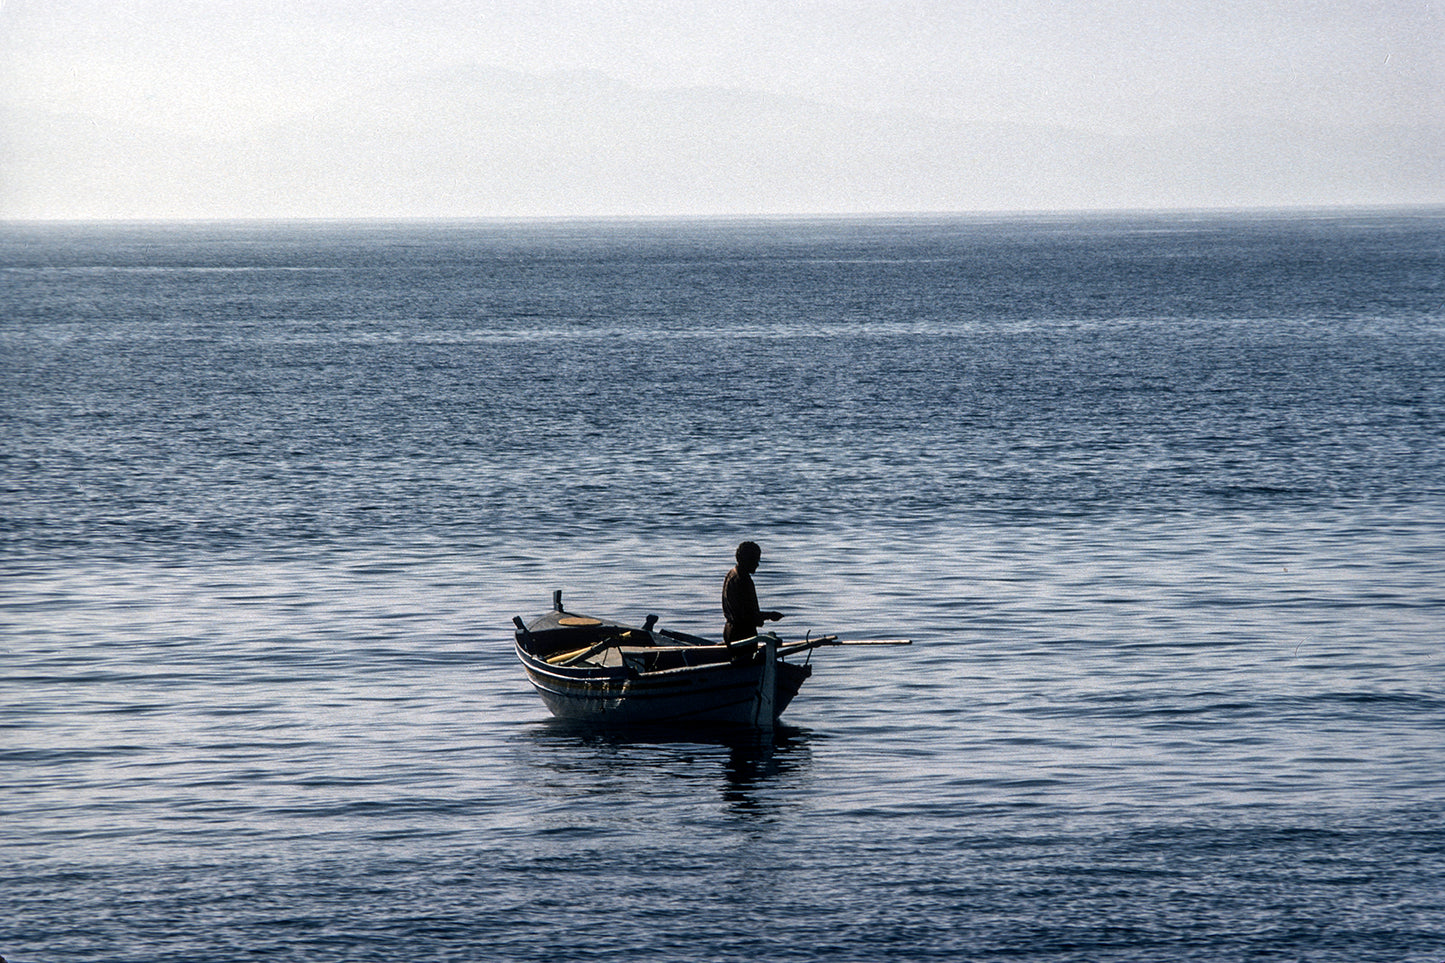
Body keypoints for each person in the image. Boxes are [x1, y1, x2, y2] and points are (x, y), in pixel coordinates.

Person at [722, 540, 783, 643]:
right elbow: (747, 616)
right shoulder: (743, 580)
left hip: (730, 632)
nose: (757, 564)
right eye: (755, 560)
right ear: (746, 560)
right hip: (741, 635)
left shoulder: (731, 574)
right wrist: (769, 616)